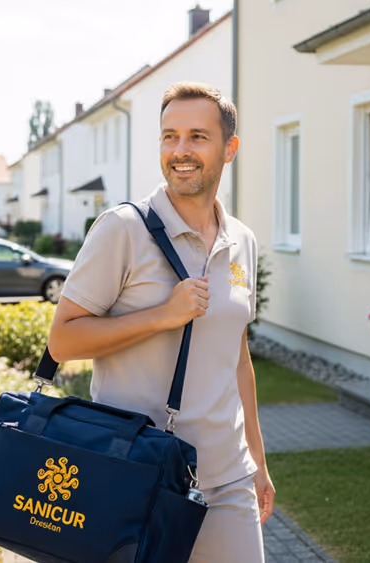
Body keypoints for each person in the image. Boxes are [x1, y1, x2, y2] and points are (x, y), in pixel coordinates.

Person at [47, 82, 274, 562]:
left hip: (228, 476)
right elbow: (63, 341)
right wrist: (161, 317)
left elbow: (237, 358)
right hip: (135, 473)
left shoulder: (242, 241)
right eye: (169, 136)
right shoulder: (122, 229)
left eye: (197, 136)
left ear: (229, 148)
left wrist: (257, 461)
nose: (180, 151)